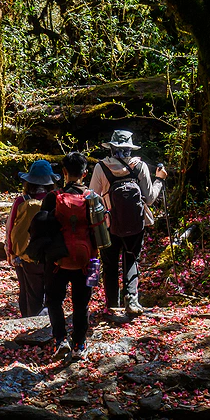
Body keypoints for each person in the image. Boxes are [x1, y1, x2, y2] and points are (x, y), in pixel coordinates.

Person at [88, 130, 167, 316]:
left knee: (109, 264)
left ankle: (112, 305)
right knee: (131, 258)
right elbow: (148, 199)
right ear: (130, 149)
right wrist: (160, 180)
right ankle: (131, 299)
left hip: (109, 224)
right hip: (135, 223)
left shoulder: (101, 167)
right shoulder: (140, 166)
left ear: (112, 147)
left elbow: (93, 197)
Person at [41, 152, 95, 361]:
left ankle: (60, 340)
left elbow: (41, 230)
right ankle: (79, 345)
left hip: (57, 260)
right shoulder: (93, 198)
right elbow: (102, 234)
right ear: (85, 173)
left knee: (54, 301)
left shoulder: (52, 198)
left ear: (63, 172)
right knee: (82, 304)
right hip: (87, 260)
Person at [5, 159, 58, 317]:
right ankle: (50, 326)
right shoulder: (57, 199)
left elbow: (10, 229)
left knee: (29, 294)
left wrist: (10, 252)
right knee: (52, 295)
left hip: (25, 256)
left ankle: (28, 326)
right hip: (51, 256)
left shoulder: (21, 201)